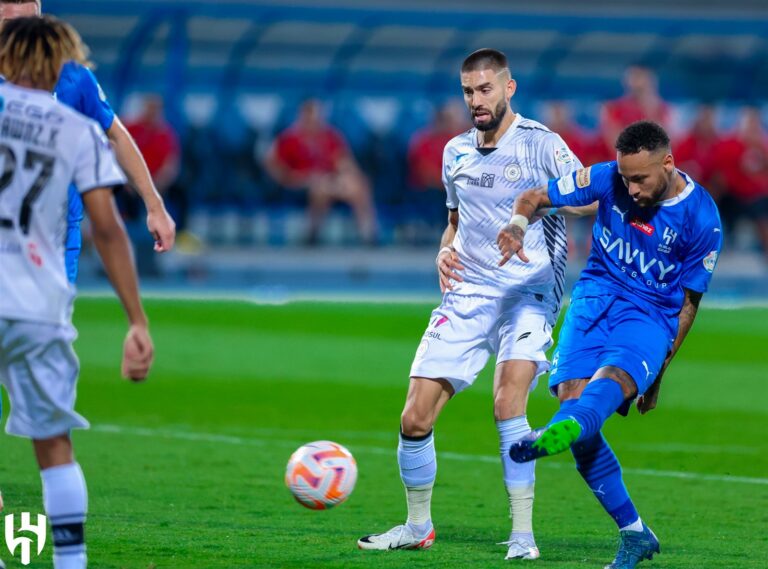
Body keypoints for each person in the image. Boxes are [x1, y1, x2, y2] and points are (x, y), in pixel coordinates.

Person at [357, 48, 586, 560]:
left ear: (509, 88)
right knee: (414, 417)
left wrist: (536, 202)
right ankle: (418, 526)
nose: (475, 100)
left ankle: (523, 536)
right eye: (467, 91)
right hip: (466, 294)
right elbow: (455, 221)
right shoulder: (455, 151)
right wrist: (443, 248)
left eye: (485, 89)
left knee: (508, 402)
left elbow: (590, 196)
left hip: (528, 294)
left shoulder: (541, 145)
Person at [498, 121, 722, 568]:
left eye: (640, 178)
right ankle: (635, 534)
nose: (631, 187)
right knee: (576, 408)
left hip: (649, 315)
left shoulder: (702, 219)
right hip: (594, 299)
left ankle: (554, 432)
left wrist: (659, 371)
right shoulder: (606, 177)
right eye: (626, 178)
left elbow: (689, 305)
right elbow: (534, 196)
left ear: (668, 164)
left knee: (613, 382)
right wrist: (518, 225)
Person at [0, 15, 155, 569]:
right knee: (55, 447)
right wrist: (136, 321)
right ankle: (72, 565)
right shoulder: (77, 129)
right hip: (40, 302)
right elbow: (107, 229)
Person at [1, 0, 176, 281]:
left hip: (54, 243)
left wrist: (154, 205)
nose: (23, 37)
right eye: (11, 27)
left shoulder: (72, 78)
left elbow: (116, 135)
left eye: (30, 26)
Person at [263, 98, 377, 245]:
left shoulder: (330, 136)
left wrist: (350, 175)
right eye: (311, 115)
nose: (315, 119)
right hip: (301, 182)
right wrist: (289, 178)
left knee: (357, 186)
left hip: (328, 180)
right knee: (319, 187)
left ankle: (368, 235)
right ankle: (312, 235)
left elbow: (343, 162)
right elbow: (272, 164)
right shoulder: (289, 138)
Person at [711, 106, 768, 258]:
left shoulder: (763, 146)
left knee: (761, 211)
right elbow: (721, 177)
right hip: (734, 196)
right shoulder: (729, 146)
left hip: (757, 198)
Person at [597, 66, 671, 161]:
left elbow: (665, 144)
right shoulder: (613, 108)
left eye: (640, 77)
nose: (637, 83)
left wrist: (649, 106)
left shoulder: (662, 109)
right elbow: (617, 145)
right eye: (633, 77)